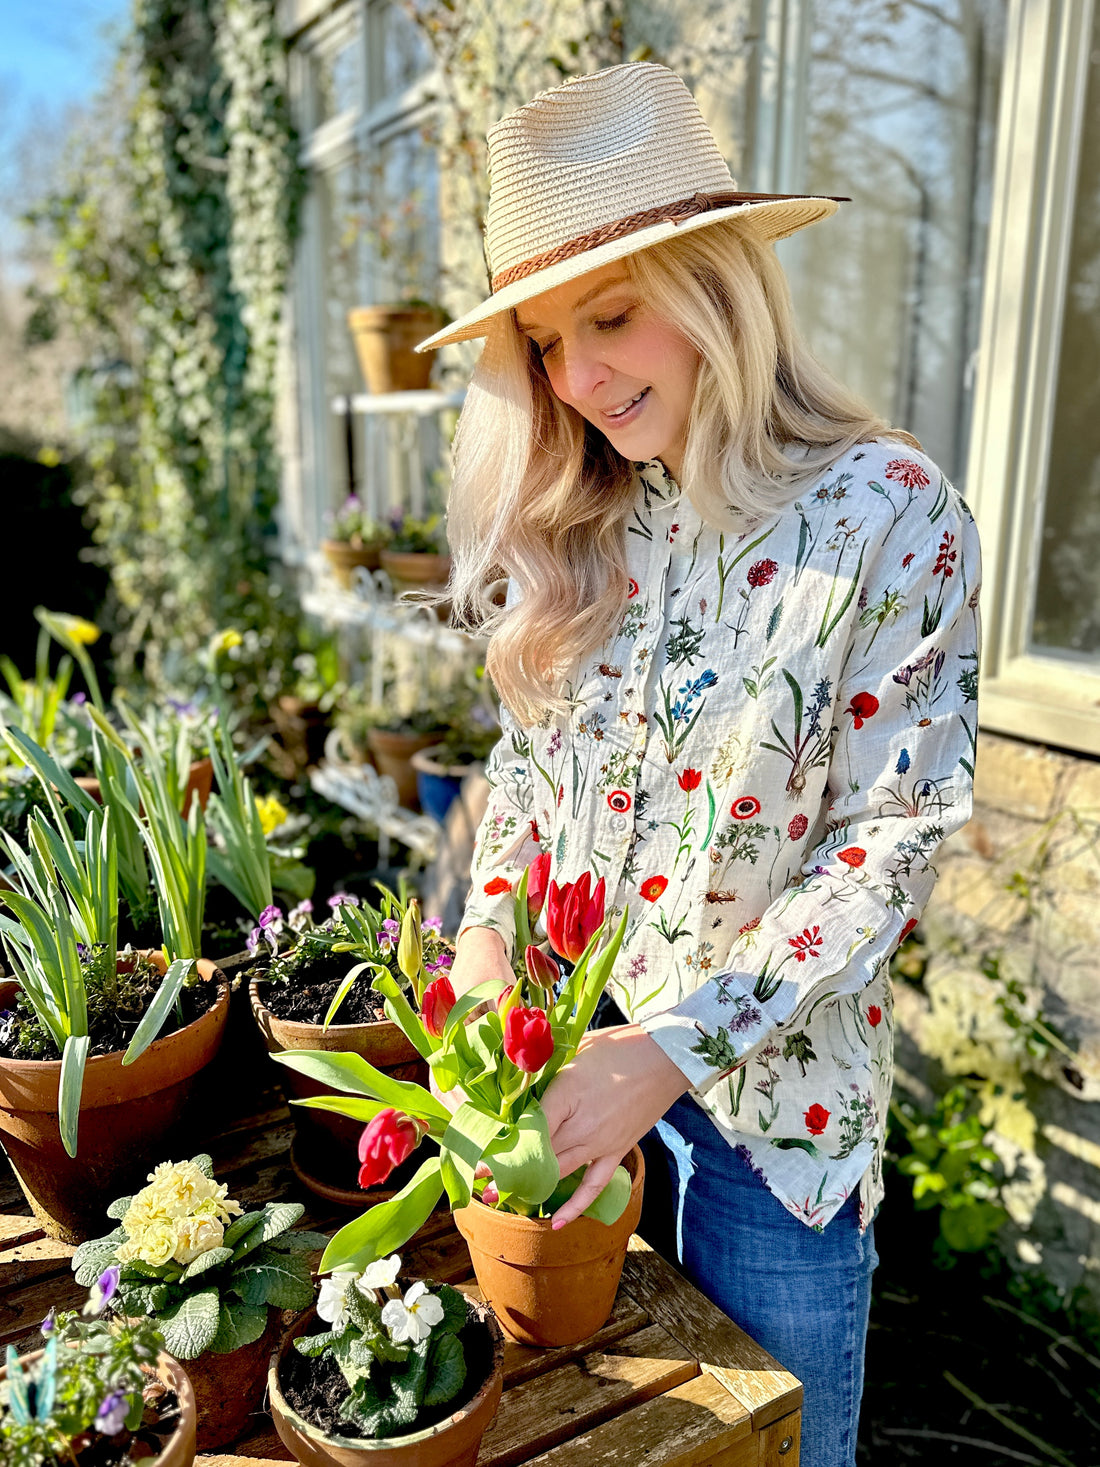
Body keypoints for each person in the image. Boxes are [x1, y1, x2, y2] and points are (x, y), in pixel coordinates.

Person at [417, 62, 981, 1467]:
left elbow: (893, 836)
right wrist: (488, 939)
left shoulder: (887, 512)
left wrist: (668, 1053)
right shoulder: (592, 529)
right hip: (562, 1100)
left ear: (722, 285)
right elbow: (532, 789)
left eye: (611, 315)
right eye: (546, 339)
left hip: (764, 1139)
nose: (580, 377)